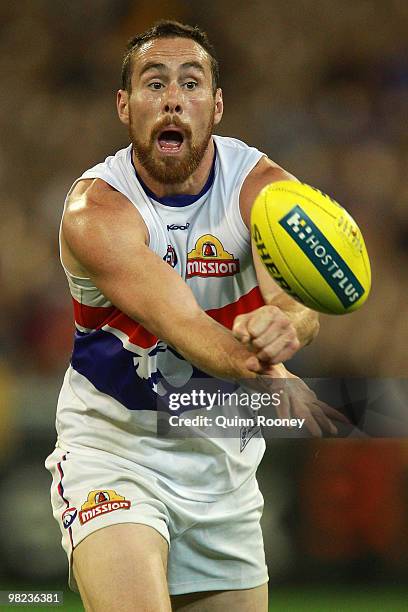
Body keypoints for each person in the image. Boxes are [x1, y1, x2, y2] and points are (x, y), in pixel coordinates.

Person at [45, 20, 340, 612]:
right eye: (154, 84)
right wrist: (265, 368)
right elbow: (185, 327)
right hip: (116, 451)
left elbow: (300, 297)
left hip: (223, 465)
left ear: (216, 105)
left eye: (191, 82)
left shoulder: (263, 188)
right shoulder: (96, 210)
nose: (174, 96)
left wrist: (285, 325)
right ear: (125, 107)